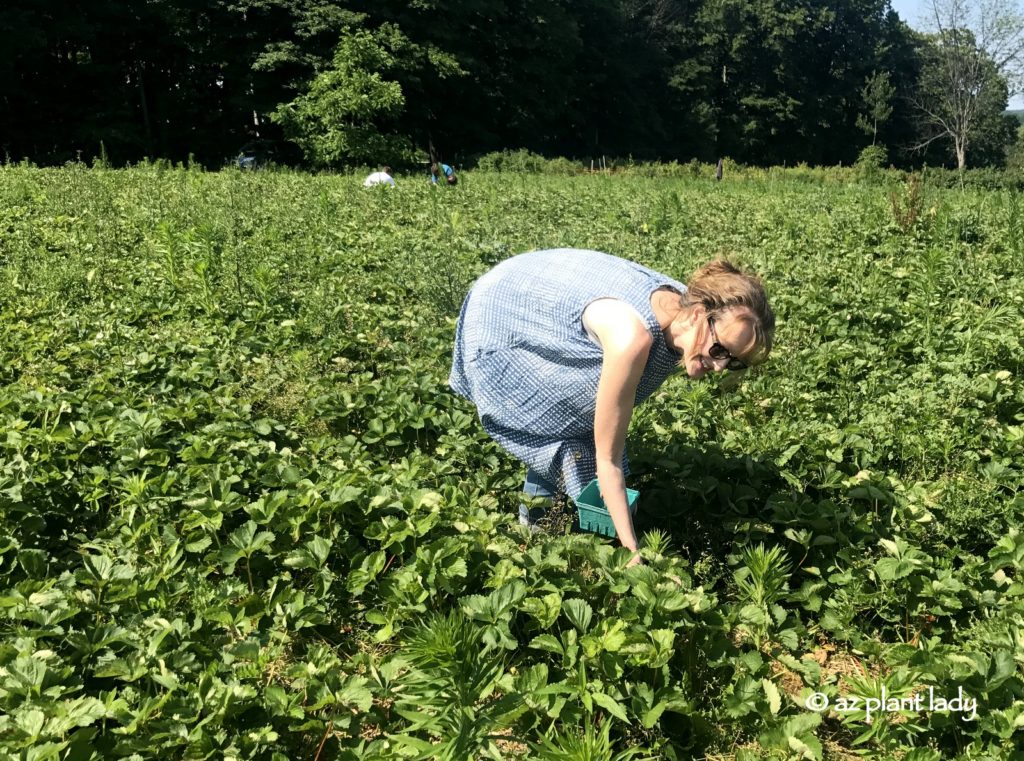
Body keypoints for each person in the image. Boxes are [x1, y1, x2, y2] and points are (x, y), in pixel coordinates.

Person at [449, 249, 774, 563]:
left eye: (733, 362)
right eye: (719, 350)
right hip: (507, 309)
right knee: (558, 427)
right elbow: (608, 462)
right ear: (697, 314)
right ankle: (532, 537)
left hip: (544, 291)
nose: (719, 367)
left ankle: (544, 521)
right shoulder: (631, 338)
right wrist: (630, 552)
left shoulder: (684, 310)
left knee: (588, 420)